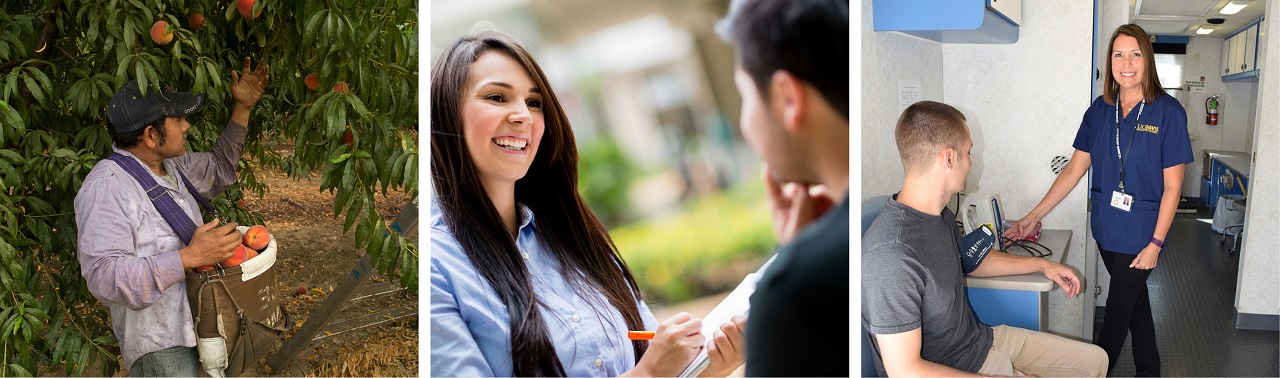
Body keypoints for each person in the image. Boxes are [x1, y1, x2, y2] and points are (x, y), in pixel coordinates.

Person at [428, 30, 747, 377]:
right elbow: (653, 371)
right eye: (497, 97)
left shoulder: (570, 233)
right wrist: (650, 374)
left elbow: (659, 363)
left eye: (534, 102)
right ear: (446, 114)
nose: (523, 115)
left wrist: (716, 363)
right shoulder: (435, 266)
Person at [862, 101, 1110, 377]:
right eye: (968, 152)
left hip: (981, 343)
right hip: (951, 368)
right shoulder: (891, 255)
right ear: (949, 159)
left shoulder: (937, 215)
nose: (971, 162)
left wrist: (1043, 266)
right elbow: (904, 370)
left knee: (1096, 361)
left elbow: (971, 261)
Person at [1005, 24, 1192, 376]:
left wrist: (1156, 242)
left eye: (1135, 54)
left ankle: (1094, 371)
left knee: (1117, 313)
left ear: (1147, 60)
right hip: (1106, 230)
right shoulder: (1100, 110)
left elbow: (1173, 188)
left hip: (1142, 235)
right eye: (1118, 54)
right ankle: (1149, 370)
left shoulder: (1168, 112)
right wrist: (1032, 216)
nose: (1127, 62)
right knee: (1135, 306)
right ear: (1110, 61)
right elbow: (1073, 171)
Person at [74, 57, 270, 376]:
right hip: (162, 348)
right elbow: (103, 277)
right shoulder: (108, 187)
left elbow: (219, 168)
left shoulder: (173, 167)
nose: (186, 125)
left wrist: (243, 109)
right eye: (177, 119)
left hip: (201, 330)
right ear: (151, 136)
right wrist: (189, 257)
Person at [718, 0, 849, 375]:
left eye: (744, 95)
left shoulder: (792, 295)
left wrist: (794, 266)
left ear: (787, 97)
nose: (745, 123)